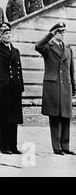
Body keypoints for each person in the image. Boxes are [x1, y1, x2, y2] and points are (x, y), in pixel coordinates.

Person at [35, 22, 76, 155]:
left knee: (65, 117)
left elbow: (71, 70)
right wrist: (49, 35)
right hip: (53, 87)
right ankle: (56, 147)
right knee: (55, 117)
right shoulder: (48, 47)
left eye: (63, 32)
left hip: (65, 87)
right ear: (54, 33)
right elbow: (37, 46)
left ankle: (65, 146)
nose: (62, 35)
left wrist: (74, 88)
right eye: (59, 32)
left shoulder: (68, 49)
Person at [0, 23, 24, 154]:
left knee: (13, 119)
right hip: (2, 88)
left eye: (9, 33)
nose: (8, 35)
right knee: (3, 119)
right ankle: (4, 147)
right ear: (0, 36)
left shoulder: (16, 51)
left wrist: (21, 86)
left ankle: (13, 146)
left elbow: (19, 70)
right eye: (5, 33)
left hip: (14, 88)